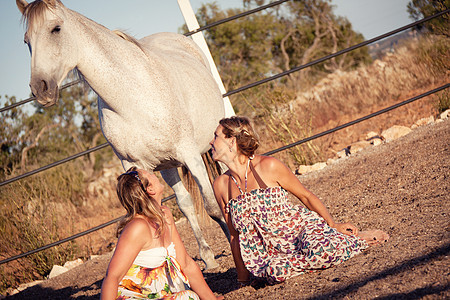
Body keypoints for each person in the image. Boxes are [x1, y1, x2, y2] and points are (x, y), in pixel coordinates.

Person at [210, 116, 389, 285]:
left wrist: (332, 224)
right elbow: (235, 236)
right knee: (275, 272)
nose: (211, 142)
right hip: (272, 254)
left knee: (320, 250)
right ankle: (321, 250)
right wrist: (243, 280)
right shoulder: (221, 185)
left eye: (216, 136)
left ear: (231, 141)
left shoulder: (268, 166)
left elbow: (305, 196)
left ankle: (349, 239)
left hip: (301, 231)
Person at [100, 167, 222, 300]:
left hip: (159, 295)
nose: (154, 174)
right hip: (134, 296)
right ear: (150, 189)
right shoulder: (138, 227)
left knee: (188, 296)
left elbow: (186, 263)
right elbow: (112, 277)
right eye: (149, 174)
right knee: (187, 297)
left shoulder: (166, 216)